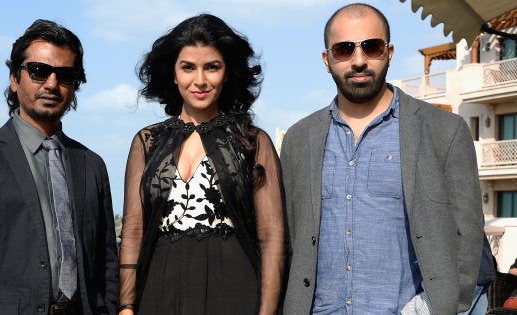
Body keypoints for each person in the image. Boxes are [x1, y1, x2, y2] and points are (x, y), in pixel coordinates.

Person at [280, 3, 484, 314]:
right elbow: (285, 241)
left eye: (371, 47)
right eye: (344, 49)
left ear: (388, 52)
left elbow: (467, 237)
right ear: (327, 59)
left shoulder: (444, 131)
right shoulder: (298, 139)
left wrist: (433, 308)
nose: (359, 60)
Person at [0, 19, 119, 314]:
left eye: (65, 75)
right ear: (14, 78)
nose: (52, 83)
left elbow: (106, 261)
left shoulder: (92, 165)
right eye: (39, 71)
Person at [118, 13, 287, 315]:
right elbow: (132, 229)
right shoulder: (147, 141)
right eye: (188, 67)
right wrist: (127, 305)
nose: (200, 80)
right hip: (159, 291)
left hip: (234, 290)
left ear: (227, 73)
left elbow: (272, 235)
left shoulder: (253, 141)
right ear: (173, 73)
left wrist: (266, 312)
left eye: (212, 67)